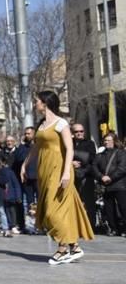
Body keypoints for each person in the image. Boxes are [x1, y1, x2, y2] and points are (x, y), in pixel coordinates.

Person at [21, 91, 95, 265]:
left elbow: (69, 149)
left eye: (37, 101)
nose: (35, 104)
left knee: (52, 211)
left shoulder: (61, 123)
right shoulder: (41, 125)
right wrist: (25, 165)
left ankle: (63, 249)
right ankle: (73, 247)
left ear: (45, 103)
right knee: (57, 210)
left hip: (59, 168)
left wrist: (67, 172)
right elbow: (35, 148)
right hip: (44, 169)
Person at [92, 132, 126, 236]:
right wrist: (101, 177)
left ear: (114, 141)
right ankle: (114, 229)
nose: (106, 142)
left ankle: (124, 229)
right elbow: (94, 167)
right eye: (105, 140)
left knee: (123, 207)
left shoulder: (121, 153)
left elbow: (122, 168)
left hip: (120, 185)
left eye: (108, 140)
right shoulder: (100, 155)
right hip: (106, 186)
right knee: (109, 209)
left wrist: (110, 177)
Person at [9, 126, 37, 233]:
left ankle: (42, 224)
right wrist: (21, 144)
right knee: (30, 203)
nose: (27, 135)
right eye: (26, 133)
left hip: (39, 177)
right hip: (27, 178)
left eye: (29, 133)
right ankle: (31, 226)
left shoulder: (39, 145)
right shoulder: (23, 147)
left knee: (40, 201)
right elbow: (19, 158)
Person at [71, 123, 98, 231]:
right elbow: (63, 156)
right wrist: (71, 163)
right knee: (74, 203)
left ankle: (91, 227)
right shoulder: (69, 143)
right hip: (72, 176)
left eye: (81, 131)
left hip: (86, 176)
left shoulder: (89, 143)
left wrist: (77, 159)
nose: (79, 134)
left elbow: (91, 157)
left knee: (89, 202)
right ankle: (77, 226)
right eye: (76, 132)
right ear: (72, 133)